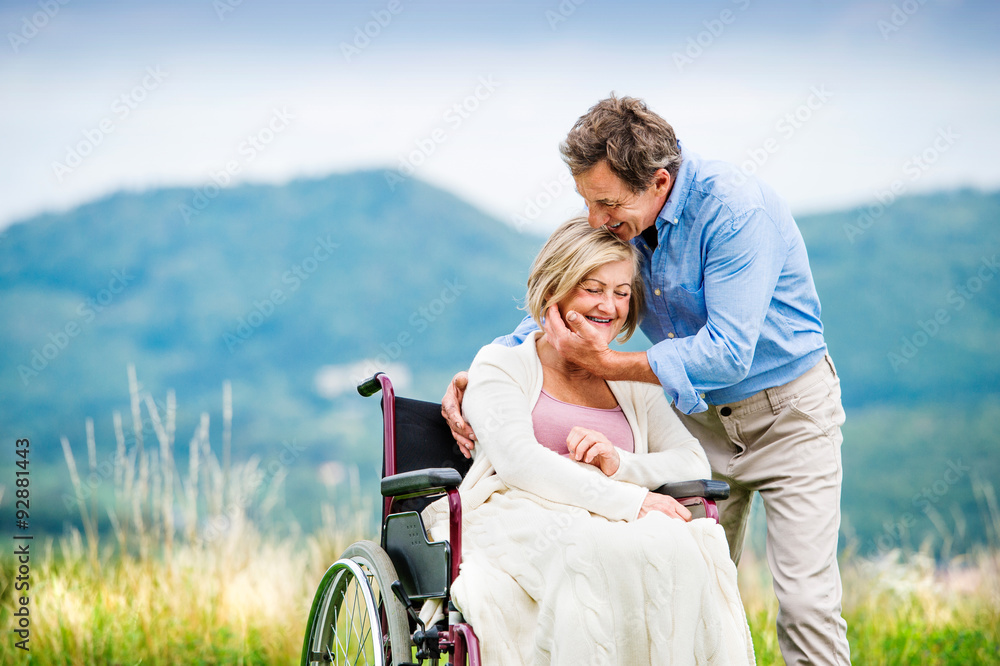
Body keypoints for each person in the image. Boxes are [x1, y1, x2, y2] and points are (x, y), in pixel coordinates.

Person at [442, 95, 850, 665]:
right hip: (696, 413)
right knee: (691, 582)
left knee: (807, 604)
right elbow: (577, 297)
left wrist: (608, 368)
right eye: (587, 201)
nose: (595, 219)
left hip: (789, 416)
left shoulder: (736, 213)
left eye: (605, 203)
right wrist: (497, 363)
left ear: (659, 182)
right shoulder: (626, 221)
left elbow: (728, 354)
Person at [422, 217, 754, 665]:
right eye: (593, 288)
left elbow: (692, 462)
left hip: (614, 518)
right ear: (555, 289)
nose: (610, 305)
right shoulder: (501, 364)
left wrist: (622, 464)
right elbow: (520, 464)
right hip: (518, 511)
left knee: (690, 548)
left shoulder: (630, 380)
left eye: (621, 292)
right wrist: (631, 502)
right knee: (589, 551)